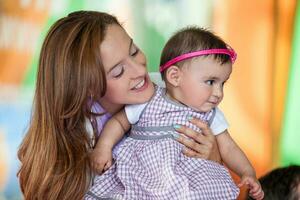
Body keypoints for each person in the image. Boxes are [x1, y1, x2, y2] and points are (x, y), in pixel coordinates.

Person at [17, 11, 222, 200]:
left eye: (134, 52)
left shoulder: (171, 91)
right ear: (89, 88)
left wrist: (213, 159)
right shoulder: (75, 148)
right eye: (118, 72)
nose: (139, 71)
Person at [86, 27, 264, 199]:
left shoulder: (211, 114)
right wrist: (103, 147)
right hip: (142, 177)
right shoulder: (149, 99)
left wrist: (247, 172)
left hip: (185, 184)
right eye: (210, 82)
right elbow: (119, 123)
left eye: (222, 84)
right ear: (175, 77)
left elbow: (229, 147)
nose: (219, 93)